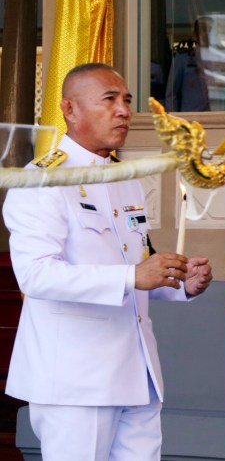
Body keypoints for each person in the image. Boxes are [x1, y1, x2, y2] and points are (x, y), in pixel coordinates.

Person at [3, 63, 213, 460]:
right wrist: (134, 275)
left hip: (137, 372)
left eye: (127, 100)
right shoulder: (41, 181)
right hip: (76, 379)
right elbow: (36, 276)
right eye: (109, 100)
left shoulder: (124, 176)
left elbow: (139, 263)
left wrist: (180, 283)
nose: (123, 111)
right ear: (70, 109)